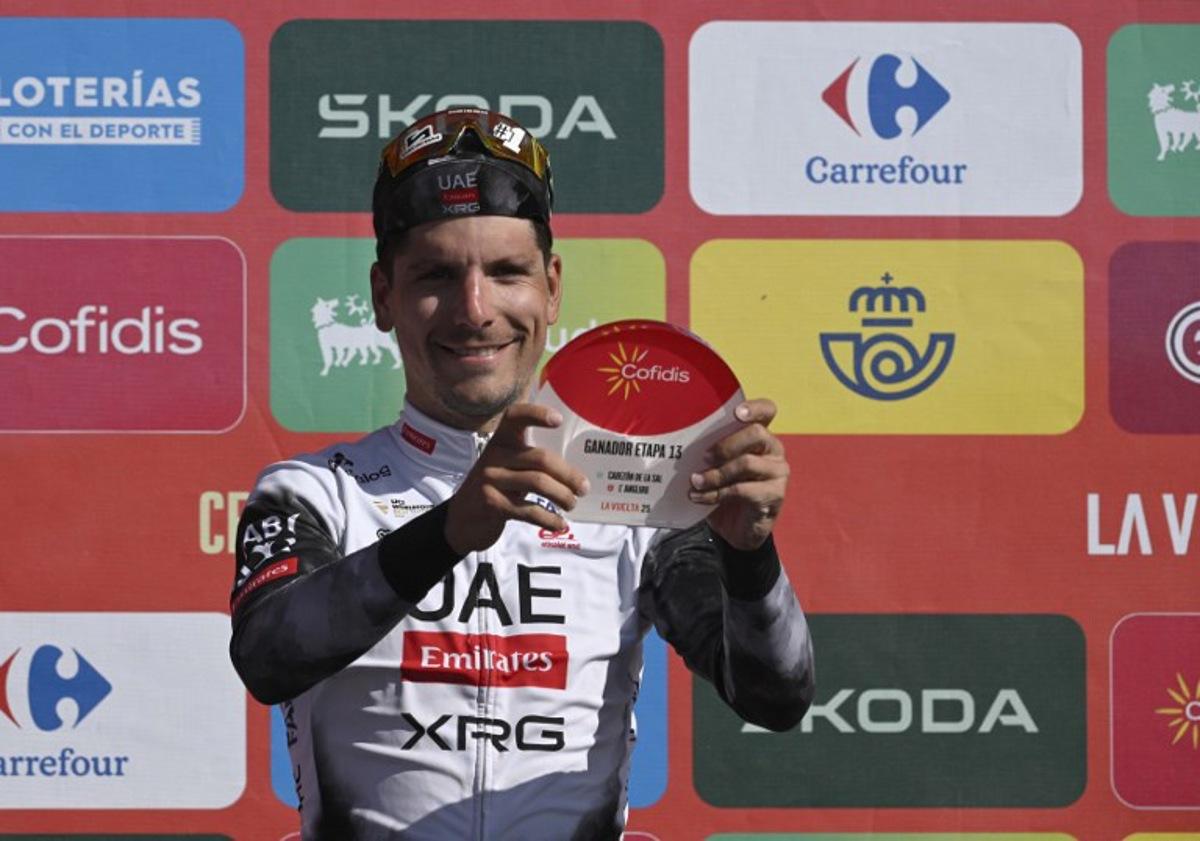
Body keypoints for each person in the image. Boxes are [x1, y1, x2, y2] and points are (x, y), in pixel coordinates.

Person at [229, 108, 814, 840]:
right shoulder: (315, 492)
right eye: (436, 275)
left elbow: (776, 694)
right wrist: (448, 532)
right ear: (382, 297)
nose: (476, 311)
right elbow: (267, 656)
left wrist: (747, 555)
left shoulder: (629, 498)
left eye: (507, 272)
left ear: (553, 288)